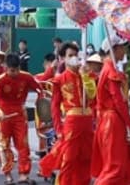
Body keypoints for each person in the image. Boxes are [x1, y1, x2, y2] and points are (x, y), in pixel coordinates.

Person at [39, 53, 98, 184]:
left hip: (88, 122)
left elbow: (93, 97)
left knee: (87, 157)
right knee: (69, 158)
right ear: (63, 58)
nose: (74, 57)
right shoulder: (60, 79)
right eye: (70, 55)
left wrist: (85, 77)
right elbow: (54, 106)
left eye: (76, 54)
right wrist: (58, 129)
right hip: (72, 123)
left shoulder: (88, 75)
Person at [93, 36, 130, 185]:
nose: (124, 50)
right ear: (114, 49)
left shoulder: (108, 69)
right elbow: (118, 101)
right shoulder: (110, 71)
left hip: (109, 120)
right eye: (122, 47)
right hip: (113, 121)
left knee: (119, 166)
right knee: (115, 168)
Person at [0, 50, 40, 183]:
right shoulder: (0, 80)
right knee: (4, 146)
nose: (15, 73)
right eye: (12, 70)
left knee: (23, 145)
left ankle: (24, 174)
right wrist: (0, 112)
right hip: (3, 116)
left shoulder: (26, 77)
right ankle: (7, 174)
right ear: (6, 68)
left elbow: (39, 88)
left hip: (19, 115)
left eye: (17, 69)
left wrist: (40, 102)